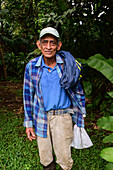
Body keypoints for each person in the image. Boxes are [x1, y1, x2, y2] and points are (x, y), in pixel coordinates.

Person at [23, 27, 86, 170]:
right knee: (45, 158)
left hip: (62, 118)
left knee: (64, 158)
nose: (48, 47)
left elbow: (78, 92)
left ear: (59, 45)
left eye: (52, 43)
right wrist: (28, 123)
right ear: (39, 45)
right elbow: (27, 96)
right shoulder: (32, 66)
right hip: (41, 117)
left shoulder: (67, 65)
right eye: (45, 42)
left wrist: (81, 118)